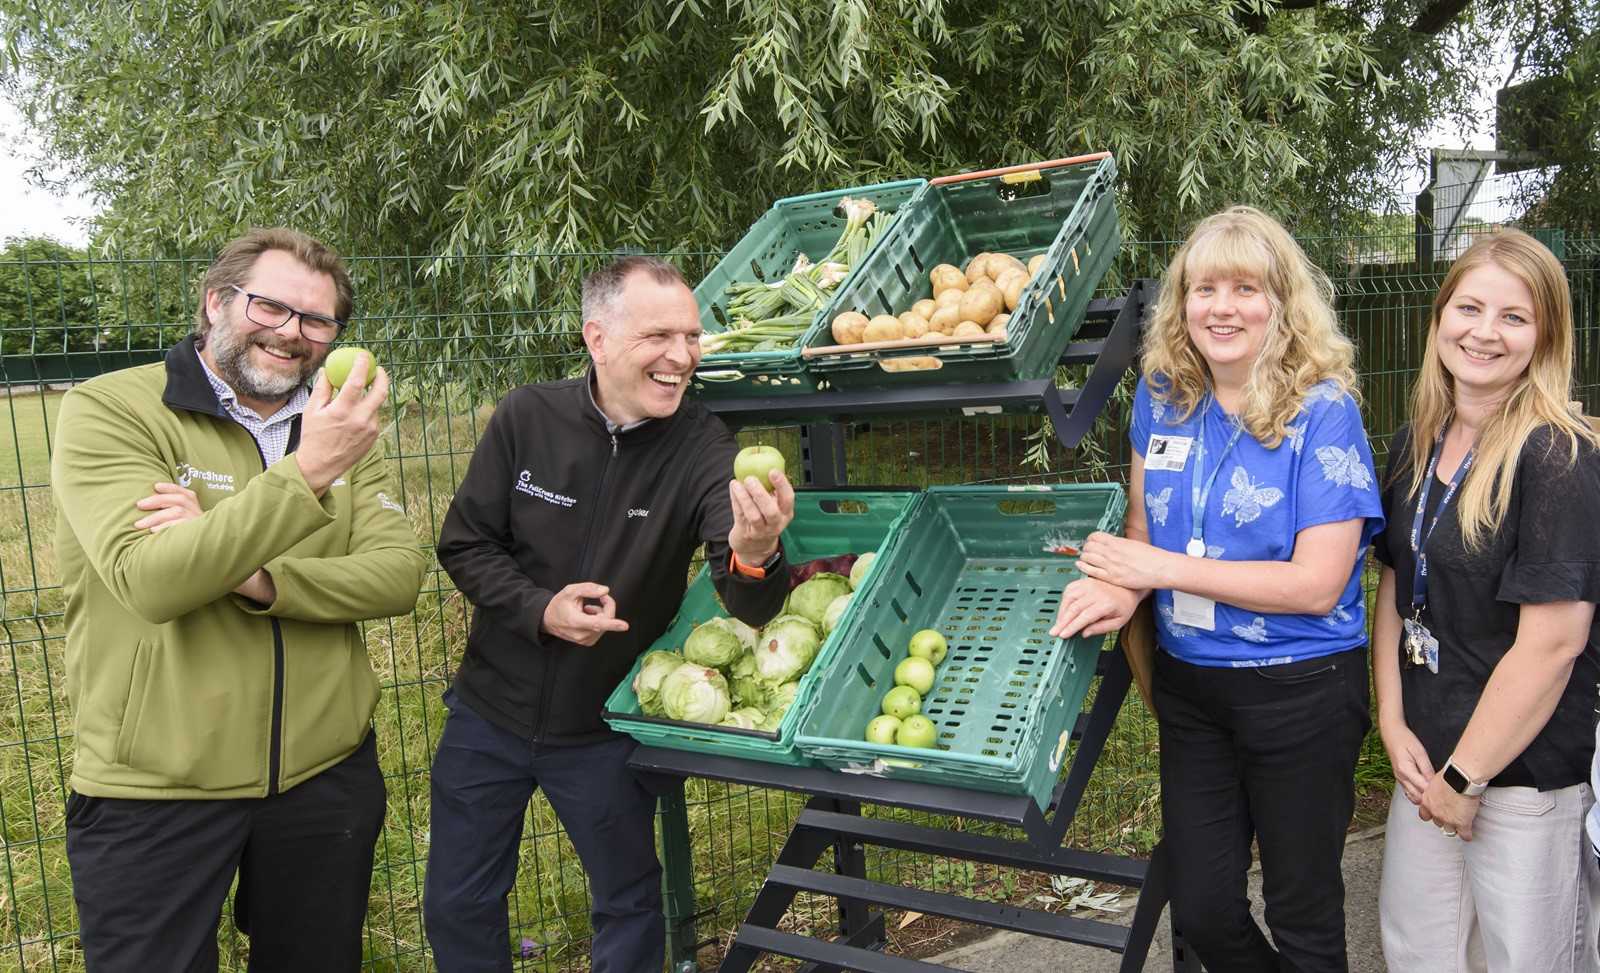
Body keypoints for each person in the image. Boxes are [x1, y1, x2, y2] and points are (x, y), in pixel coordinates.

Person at [51, 227, 428, 971]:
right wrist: (308, 474)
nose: (293, 334)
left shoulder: (343, 431)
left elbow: (397, 575)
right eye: (271, 307)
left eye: (317, 320)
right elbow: (153, 580)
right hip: (157, 781)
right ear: (216, 301)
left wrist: (252, 575)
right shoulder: (112, 410)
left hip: (326, 772)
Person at [424, 255, 795, 972]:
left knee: (628, 901)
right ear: (597, 338)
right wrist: (540, 608)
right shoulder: (527, 417)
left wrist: (755, 549)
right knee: (457, 902)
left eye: (691, 336)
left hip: (604, 729)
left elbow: (748, 595)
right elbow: (464, 544)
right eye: (658, 335)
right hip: (489, 711)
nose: (681, 356)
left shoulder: (702, 448)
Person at [1051, 205, 1384, 972]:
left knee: (1302, 915)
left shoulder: (1321, 411)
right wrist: (1121, 590)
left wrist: (1159, 572)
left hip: (1301, 690)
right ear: (1183, 302)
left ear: (1282, 302)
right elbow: (1143, 528)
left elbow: (1316, 583)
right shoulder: (1161, 395)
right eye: (1205, 288)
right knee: (1202, 911)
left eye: (1246, 287)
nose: (1223, 307)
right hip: (1193, 688)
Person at [1373, 229, 1600, 971]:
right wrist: (1391, 716)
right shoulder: (1416, 440)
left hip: (1520, 782)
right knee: (1421, 954)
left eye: (1514, 316)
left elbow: (1553, 645)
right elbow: (1394, 583)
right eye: (1469, 307)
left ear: (1547, 335)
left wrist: (1466, 777)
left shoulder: (1557, 456)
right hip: (1425, 764)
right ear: (1439, 318)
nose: (1484, 331)